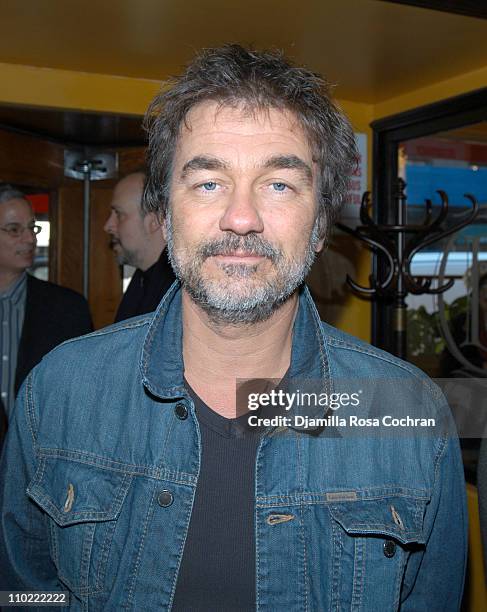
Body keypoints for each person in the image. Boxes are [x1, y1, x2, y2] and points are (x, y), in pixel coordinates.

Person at [0, 46, 467, 610]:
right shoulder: (59, 390)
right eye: (208, 183)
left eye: (278, 185)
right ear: (165, 217)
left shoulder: (407, 412)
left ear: (319, 226)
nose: (241, 218)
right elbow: (24, 594)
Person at [0, 185, 92, 432]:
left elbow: (82, 400)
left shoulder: (68, 309)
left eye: (32, 227)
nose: (30, 238)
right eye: (14, 230)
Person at [104, 171, 175, 322]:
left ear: (155, 221)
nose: (108, 226)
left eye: (119, 214)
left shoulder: (176, 293)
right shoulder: (143, 281)